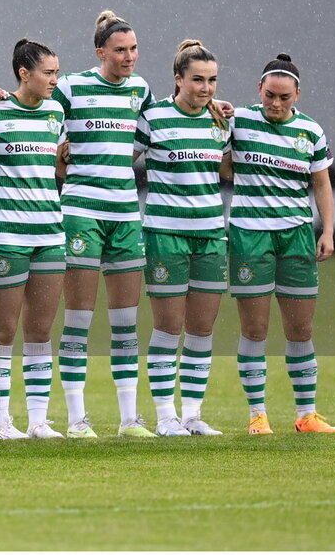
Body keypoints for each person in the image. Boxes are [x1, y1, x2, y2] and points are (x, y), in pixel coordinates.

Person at [224, 53, 335, 435]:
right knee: (255, 329)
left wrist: (326, 231)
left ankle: (306, 415)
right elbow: (219, 160)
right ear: (259, 89)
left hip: (295, 236)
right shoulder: (238, 120)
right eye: (270, 95)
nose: (276, 104)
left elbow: (321, 183)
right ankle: (257, 415)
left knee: (301, 330)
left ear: (298, 95)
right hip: (249, 234)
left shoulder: (310, 131)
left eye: (284, 98)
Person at [51, 11, 156, 437]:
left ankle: (129, 419)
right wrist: (60, 147)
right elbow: (36, 115)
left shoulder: (142, 90)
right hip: (80, 212)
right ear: (100, 52)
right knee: (78, 318)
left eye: (133, 49)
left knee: (126, 321)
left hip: (126, 215)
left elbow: (153, 130)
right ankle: (77, 420)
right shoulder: (72, 87)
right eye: (120, 50)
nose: (129, 57)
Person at [134, 39, 230, 437]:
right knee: (168, 328)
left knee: (202, 330)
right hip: (165, 234)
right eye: (197, 80)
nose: (206, 88)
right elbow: (123, 161)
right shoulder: (153, 117)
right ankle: (165, 416)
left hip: (210, 235)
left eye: (212, 81)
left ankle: (191, 414)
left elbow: (227, 170)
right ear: (178, 79)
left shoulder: (221, 121)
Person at [0, 39, 66, 440]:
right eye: (48, 73)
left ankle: (38, 421)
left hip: (49, 233)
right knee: (3, 329)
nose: (54, 80)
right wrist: (10, 190)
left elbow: (54, 166)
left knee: (41, 331)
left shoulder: (55, 112)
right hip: (4, 235)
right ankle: (0, 422)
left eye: (57, 73)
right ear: (23, 74)